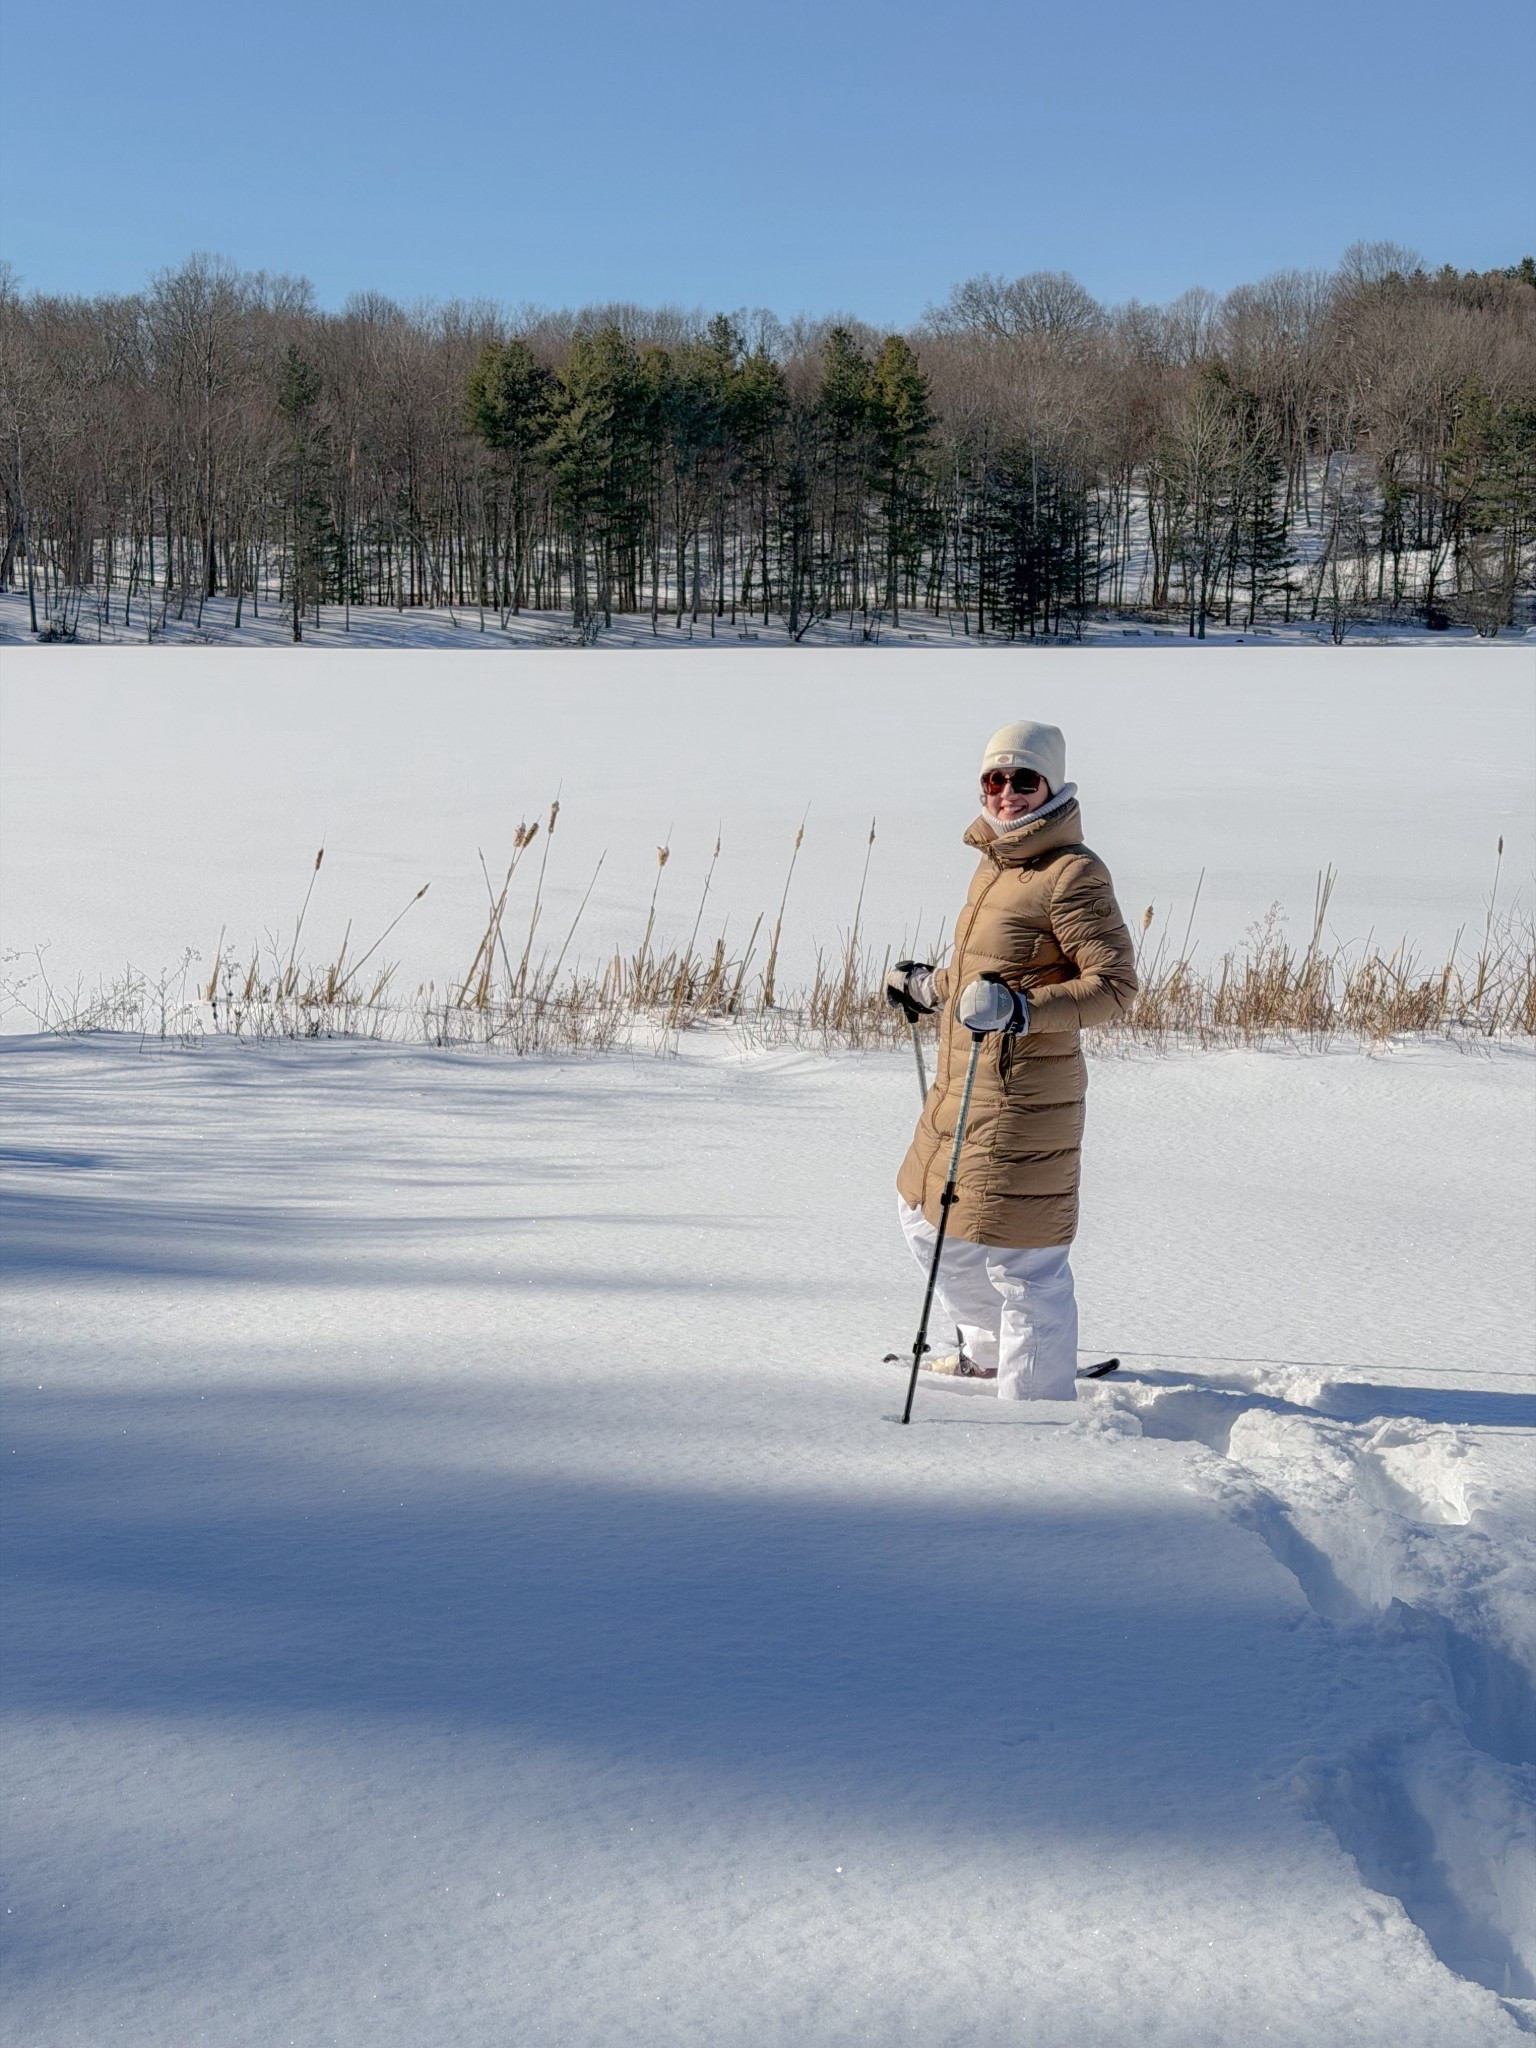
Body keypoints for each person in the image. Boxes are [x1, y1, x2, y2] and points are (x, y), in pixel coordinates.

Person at [886, 720, 1137, 1400]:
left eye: (1023, 779)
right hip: (959, 1092)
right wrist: (928, 988)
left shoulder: (1071, 872)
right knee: (927, 1218)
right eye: (994, 779)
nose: (1006, 793)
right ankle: (989, 1351)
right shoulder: (998, 863)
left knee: (1027, 1262)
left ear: (1052, 786)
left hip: (1025, 1098)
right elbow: (986, 976)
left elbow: (1114, 988)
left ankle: (1033, 1416)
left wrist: (1023, 1014)